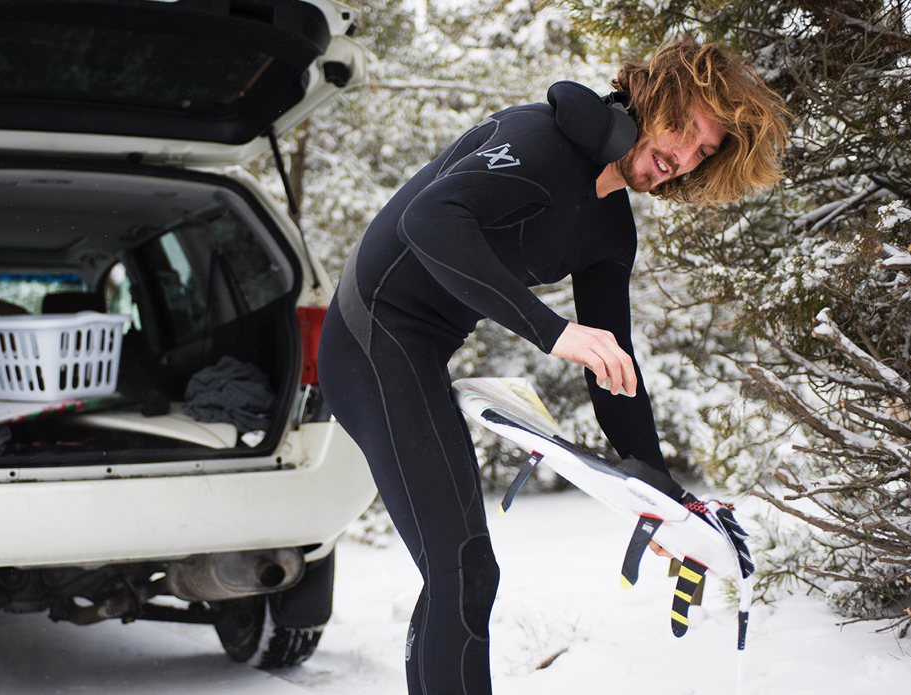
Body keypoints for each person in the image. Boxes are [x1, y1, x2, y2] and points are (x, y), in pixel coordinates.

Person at [316, 39, 789, 695]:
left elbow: (613, 368)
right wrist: (553, 330)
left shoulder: (610, 230)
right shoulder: (538, 138)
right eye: (683, 128)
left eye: (704, 151)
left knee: (457, 575)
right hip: (368, 336)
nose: (682, 155)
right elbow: (431, 219)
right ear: (652, 97)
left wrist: (664, 497)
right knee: (464, 571)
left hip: (417, 350)